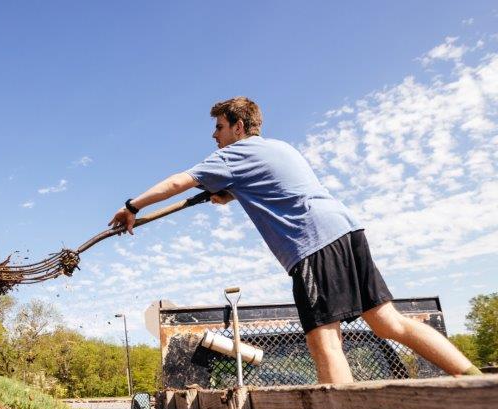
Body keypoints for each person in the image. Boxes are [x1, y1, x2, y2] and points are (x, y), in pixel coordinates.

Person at [108, 96, 481, 384]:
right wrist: (230, 193)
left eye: (219, 127)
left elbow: (179, 181)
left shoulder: (234, 155)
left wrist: (132, 206)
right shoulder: (280, 148)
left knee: (324, 340)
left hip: (313, 243)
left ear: (238, 126)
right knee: (387, 322)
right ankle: (472, 379)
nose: (215, 136)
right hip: (347, 231)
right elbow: (275, 187)